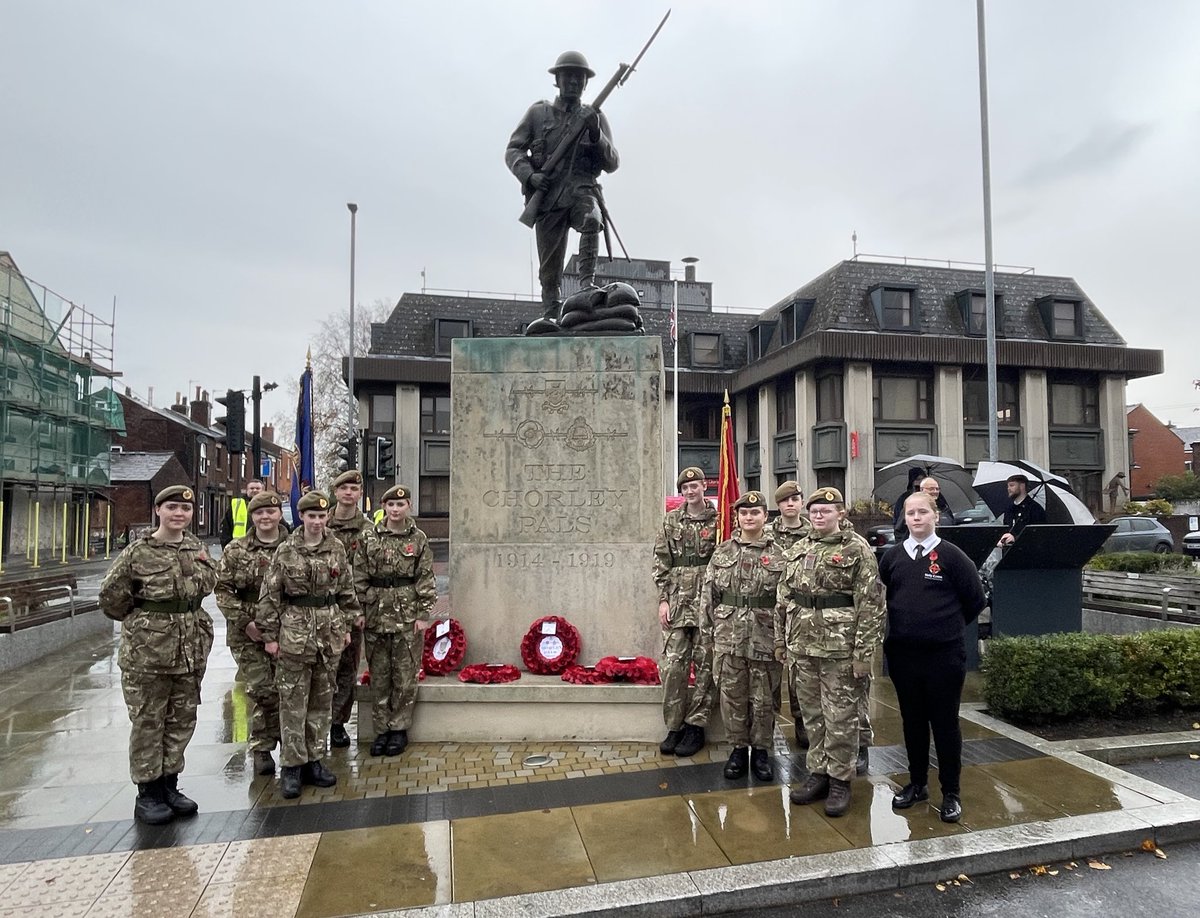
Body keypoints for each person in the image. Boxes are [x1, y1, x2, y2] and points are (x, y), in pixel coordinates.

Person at [98, 484, 217, 825]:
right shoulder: (139, 552)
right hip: (148, 654)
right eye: (172, 508)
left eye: (186, 509)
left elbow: (209, 583)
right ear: (158, 511)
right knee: (149, 720)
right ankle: (148, 792)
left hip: (190, 649)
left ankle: (169, 784)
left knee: (181, 719)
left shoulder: (198, 549)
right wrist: (145, 621)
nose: (180, 514)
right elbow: (111, 597)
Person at [878, 491, 987, 823]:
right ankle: (917, 783)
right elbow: (886, 596)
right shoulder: (893, 557)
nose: (915, 518)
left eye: (922, 512)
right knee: (912, 722)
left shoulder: (952, 557)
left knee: (945, 723)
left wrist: (943, 626)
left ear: (935, 516)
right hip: (903, 656)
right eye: (910, 513)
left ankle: (951, 792)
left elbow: (975, 601)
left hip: (944, 656)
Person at [777, 487, 884, 817]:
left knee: (841, 716)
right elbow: (784, 597)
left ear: (841, 513)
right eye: (815, 510)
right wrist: (782, 641)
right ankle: (819, 773)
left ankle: (841, 780)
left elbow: (871, 604)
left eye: (827, 510)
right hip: (803, 646)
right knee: (813, 716)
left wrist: (864, 653)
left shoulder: (857, 549)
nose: (819, 515)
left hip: (840, 648)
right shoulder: (800, 549)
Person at [506, 51, 619, 333]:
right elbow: (514, 149)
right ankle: (551, 314)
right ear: (557, 80)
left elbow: (612, 162)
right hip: (548, 196)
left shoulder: (596, 116)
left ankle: (586, 286)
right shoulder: (538, 113)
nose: (573, 82)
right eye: (568, 76)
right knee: (549, 269)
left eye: (579, 78)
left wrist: (596, 134)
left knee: (592, 220)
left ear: (585, 83)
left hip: (582, 189)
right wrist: (530, 176)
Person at [256, 490, 359, 799]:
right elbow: (270, 595)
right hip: (294, 635)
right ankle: (292, 766)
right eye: (311, 516)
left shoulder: (336, 548)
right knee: (292, 703)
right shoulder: (286, 550)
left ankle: (314, 760)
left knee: (321, 702)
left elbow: (346, 589)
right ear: (301, 517)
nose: (317, 521)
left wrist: (349, 624)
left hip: (328, 636)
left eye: (321, 516)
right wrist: (270, 636)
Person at [703, 491, 786, 781]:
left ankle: (762, 751)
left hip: (766, 637)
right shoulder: (723, 551)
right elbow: (709, 596)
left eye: (755, 513)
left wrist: (784, 640)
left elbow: (786, 600)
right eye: (743, 513)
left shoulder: (780, 554)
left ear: (765, 515)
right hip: (729, 637)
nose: (749, 518)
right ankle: (738, 749)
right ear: (737, 517)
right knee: (732, 697)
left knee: (764, 699)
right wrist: (708, 635)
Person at [357, 485, 436, 757]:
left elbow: (425, 577)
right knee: (379, 676)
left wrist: (423, 614)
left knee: (404, 675)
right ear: (383, 507)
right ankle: (381, 730)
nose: (395, 509)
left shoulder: (419, 538)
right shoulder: (369, 537)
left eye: (400, 505)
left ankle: (399, 729)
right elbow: (359, 575)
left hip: (407, 616)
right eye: (390, 505)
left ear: (408, 507)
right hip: (376, 614)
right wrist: (363, 608)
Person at [215, 490, 287, 776]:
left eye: (271, 511)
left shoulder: (293, 546)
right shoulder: (237, 549)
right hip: (248, 633)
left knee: (288, 689)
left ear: (280, 514)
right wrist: (246, 622)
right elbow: (222, 590)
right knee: (262, 689)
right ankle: (262, 747)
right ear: (253, 517)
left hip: (287, 629)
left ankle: (291, 746)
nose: (265, 517)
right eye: (259, 512)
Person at [652, 466, 718, 759]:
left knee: (706, 664)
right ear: (681, 493)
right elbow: (661, 561)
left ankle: (696, 726)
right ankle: (675, 725)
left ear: (705, 486)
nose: (691, 492)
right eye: (686, 488)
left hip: (708, 600)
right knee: (673, 665)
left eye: (696, 486)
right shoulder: (671, 521)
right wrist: (663, 600)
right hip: (678, 600)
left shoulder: (718, 520)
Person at [325, 469, 374, 748]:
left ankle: (337, 723)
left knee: (347, 668)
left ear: (359, 494)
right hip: (320, 611)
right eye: (343, 488)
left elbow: (369, 570)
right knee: (321, 669)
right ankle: (317, 721)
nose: (348, 493)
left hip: (351, 609)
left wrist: (361, 610)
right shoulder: (321, 522)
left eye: (354, 489)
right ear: (335, 491)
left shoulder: (367, 530)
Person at [770, 481, 809, 746]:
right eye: (785, 500)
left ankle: (801, 721)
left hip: (799, 611)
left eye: (795, 498)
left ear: (802, 502)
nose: (791, 503)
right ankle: (769, 721)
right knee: (771, 671)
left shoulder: (813, 532)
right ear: (779, 505)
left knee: (798, 671)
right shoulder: (767, 532)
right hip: (769, 610)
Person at [998, 474, 1047, 546]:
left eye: (1012, 485)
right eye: (1008, 486)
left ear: (1022, 486)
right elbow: (1006, 528)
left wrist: (1015, 538)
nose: (1008, 489)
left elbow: (1038, 534)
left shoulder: (1035, 509)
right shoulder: (1009, 509)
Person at [220, 479, 264, 547]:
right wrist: (226, 548)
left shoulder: (270, 506)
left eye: (257, 488)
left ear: (263, 490)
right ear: (247, 490)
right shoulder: (237, 504)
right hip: (240, 548)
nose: (254, 490)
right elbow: (226, 529)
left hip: (263, 547)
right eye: (252, 488)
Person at [892, 468, 924, 540]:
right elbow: (898, 527)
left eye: (924, 479)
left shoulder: (936, 498)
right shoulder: (904, 500)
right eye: (918, 479)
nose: (921, 482)